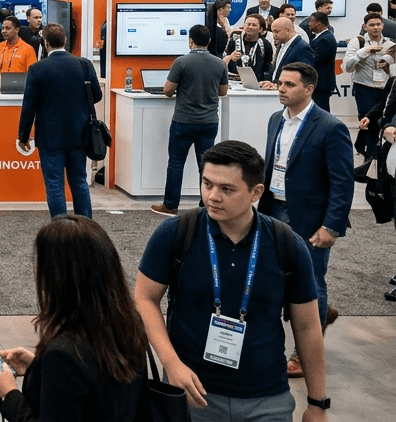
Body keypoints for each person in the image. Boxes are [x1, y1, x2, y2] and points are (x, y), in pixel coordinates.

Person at [135, 140, 329, 421]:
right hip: (193, 395)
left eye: (227, 189)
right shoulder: (176, 234)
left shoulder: (286, 244)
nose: (212, 196)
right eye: (207, 183)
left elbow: (308, 325)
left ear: (256, 192)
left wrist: (317, 403)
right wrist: (172, 364)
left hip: (267, 399)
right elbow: (144, 298)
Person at [0, 216, 147, 422]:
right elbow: (96, 385)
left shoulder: (63, 353)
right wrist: (38, 367)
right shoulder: (130, 323)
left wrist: (9, 393)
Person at [258, 62, 353, 377]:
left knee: (311, 280)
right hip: (274, 211)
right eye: (280, 83)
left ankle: (305, 352)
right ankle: (319, 315)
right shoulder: (276, 120)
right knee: (273, 276)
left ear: (309, 89)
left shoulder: (329, 126)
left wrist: (332, 226)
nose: (281, 89)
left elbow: (342, 182)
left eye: (289, 84)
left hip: (311, 219)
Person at [18, 24, 99, 218]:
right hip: (79, 133)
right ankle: (85, 227)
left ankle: (60, 228)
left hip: (49, 136)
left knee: (54, 184)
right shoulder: (84, 64)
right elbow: (96, 95)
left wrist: (23, 135)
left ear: (45, 43)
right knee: (79, 181)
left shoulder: (37, 69)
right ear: (65, 41)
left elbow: (29, 106)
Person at [154, 25, 231, 216]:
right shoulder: (219, 63)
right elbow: (223, 92)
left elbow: (167, 90)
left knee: (176, 163)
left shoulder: (181, 62)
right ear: (209, 42)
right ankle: (206, 205)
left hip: (184, 121)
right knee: (205, 165)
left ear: (190, 41)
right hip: (209, 121)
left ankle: (170, 205)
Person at [344, 13, 394, 165]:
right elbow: (347, 67)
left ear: (383, 26)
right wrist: (363, 53)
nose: (376, 27)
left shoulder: (390, 44)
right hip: (364, 89)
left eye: (378, 24)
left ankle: (367, 149)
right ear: (365, 27)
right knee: (370, 123)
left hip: (384, 90)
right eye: (372, 25)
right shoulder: (357, 42)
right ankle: (370, 160)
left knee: (381, 122)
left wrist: (388, 64)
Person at [259, 16, 313, 88]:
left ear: (288, 30)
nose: (274, 35)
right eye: (273, 32)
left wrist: (281, 86)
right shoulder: (281, 45)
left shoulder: (302, 47)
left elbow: (304, 75)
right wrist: (271, 82)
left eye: (276, 31)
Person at [0, 15, 37, 85]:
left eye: (7, 28)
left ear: (17, 30)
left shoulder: (28, 49)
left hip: (17, 90)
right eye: (3, 28)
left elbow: (32, 75)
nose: (4, 31)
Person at [224, 14, 274, 80]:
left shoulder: (265, 44)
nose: (250, 27)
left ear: (260, 29)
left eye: (254, 25)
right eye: (248, 24)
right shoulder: (234, 40)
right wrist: (230, 57)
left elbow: (268, 66)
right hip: (235, 80)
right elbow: (224, 59)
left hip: (256, 81)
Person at [307, 12, 337, 112]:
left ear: (318, 24)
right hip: (319, 82)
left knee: (321, 111)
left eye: (311, 21)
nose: (309, 24)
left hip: (322, 83)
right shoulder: (320, 37)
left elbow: (314, 59)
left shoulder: (325, 39)